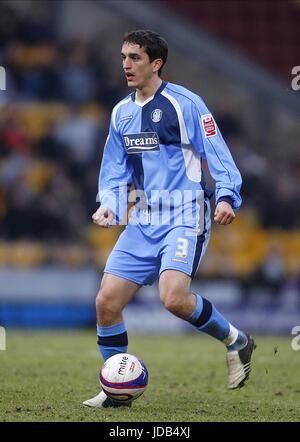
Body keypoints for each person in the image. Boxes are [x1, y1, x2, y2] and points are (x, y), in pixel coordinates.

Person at [83, 30, 256, 408]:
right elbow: (114, 168)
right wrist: (109, 203)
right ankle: (117, 389)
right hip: (143, 217)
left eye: (135, 58)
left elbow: (218, 152)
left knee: (174, 299)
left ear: (156, 63)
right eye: (123, 56)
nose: (126, 64)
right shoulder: (121, 112)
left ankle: (237, 340)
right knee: (106, 303)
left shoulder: (186, 103)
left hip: (185, 213)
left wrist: (227, 195)